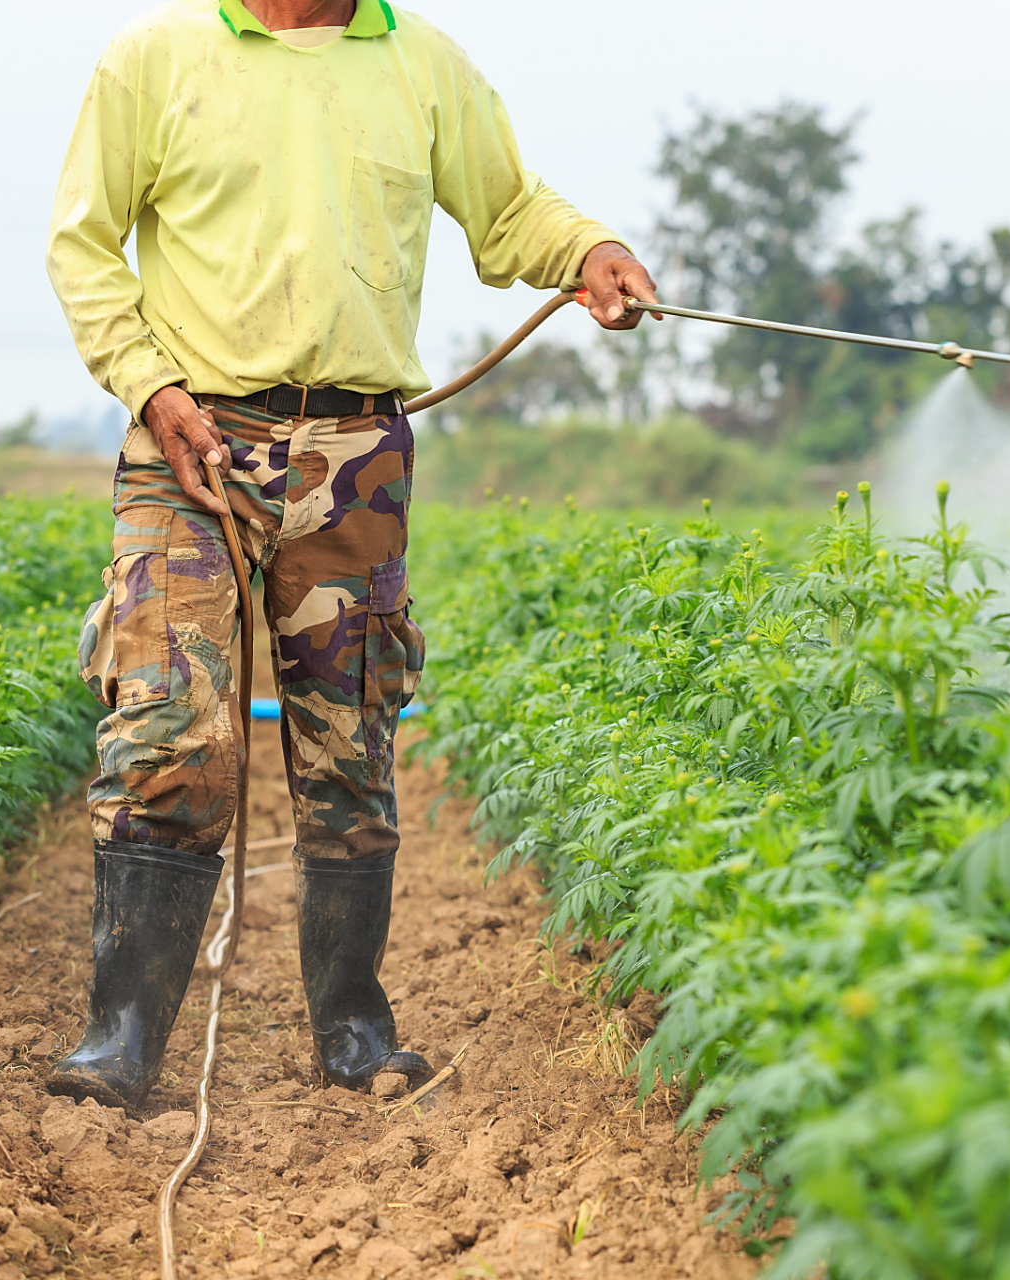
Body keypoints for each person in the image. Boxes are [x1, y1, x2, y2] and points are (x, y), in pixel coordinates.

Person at [42, 0, 658, 1106]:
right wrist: (150, 381)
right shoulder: (153, 60)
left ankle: (354, 1034)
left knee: (348, 742)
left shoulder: (421, 63)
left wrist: (589, 249)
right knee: (169, 725)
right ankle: (120, 1039)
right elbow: (82, 243)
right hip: (190, 439)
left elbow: (510, 208)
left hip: (356, 450)